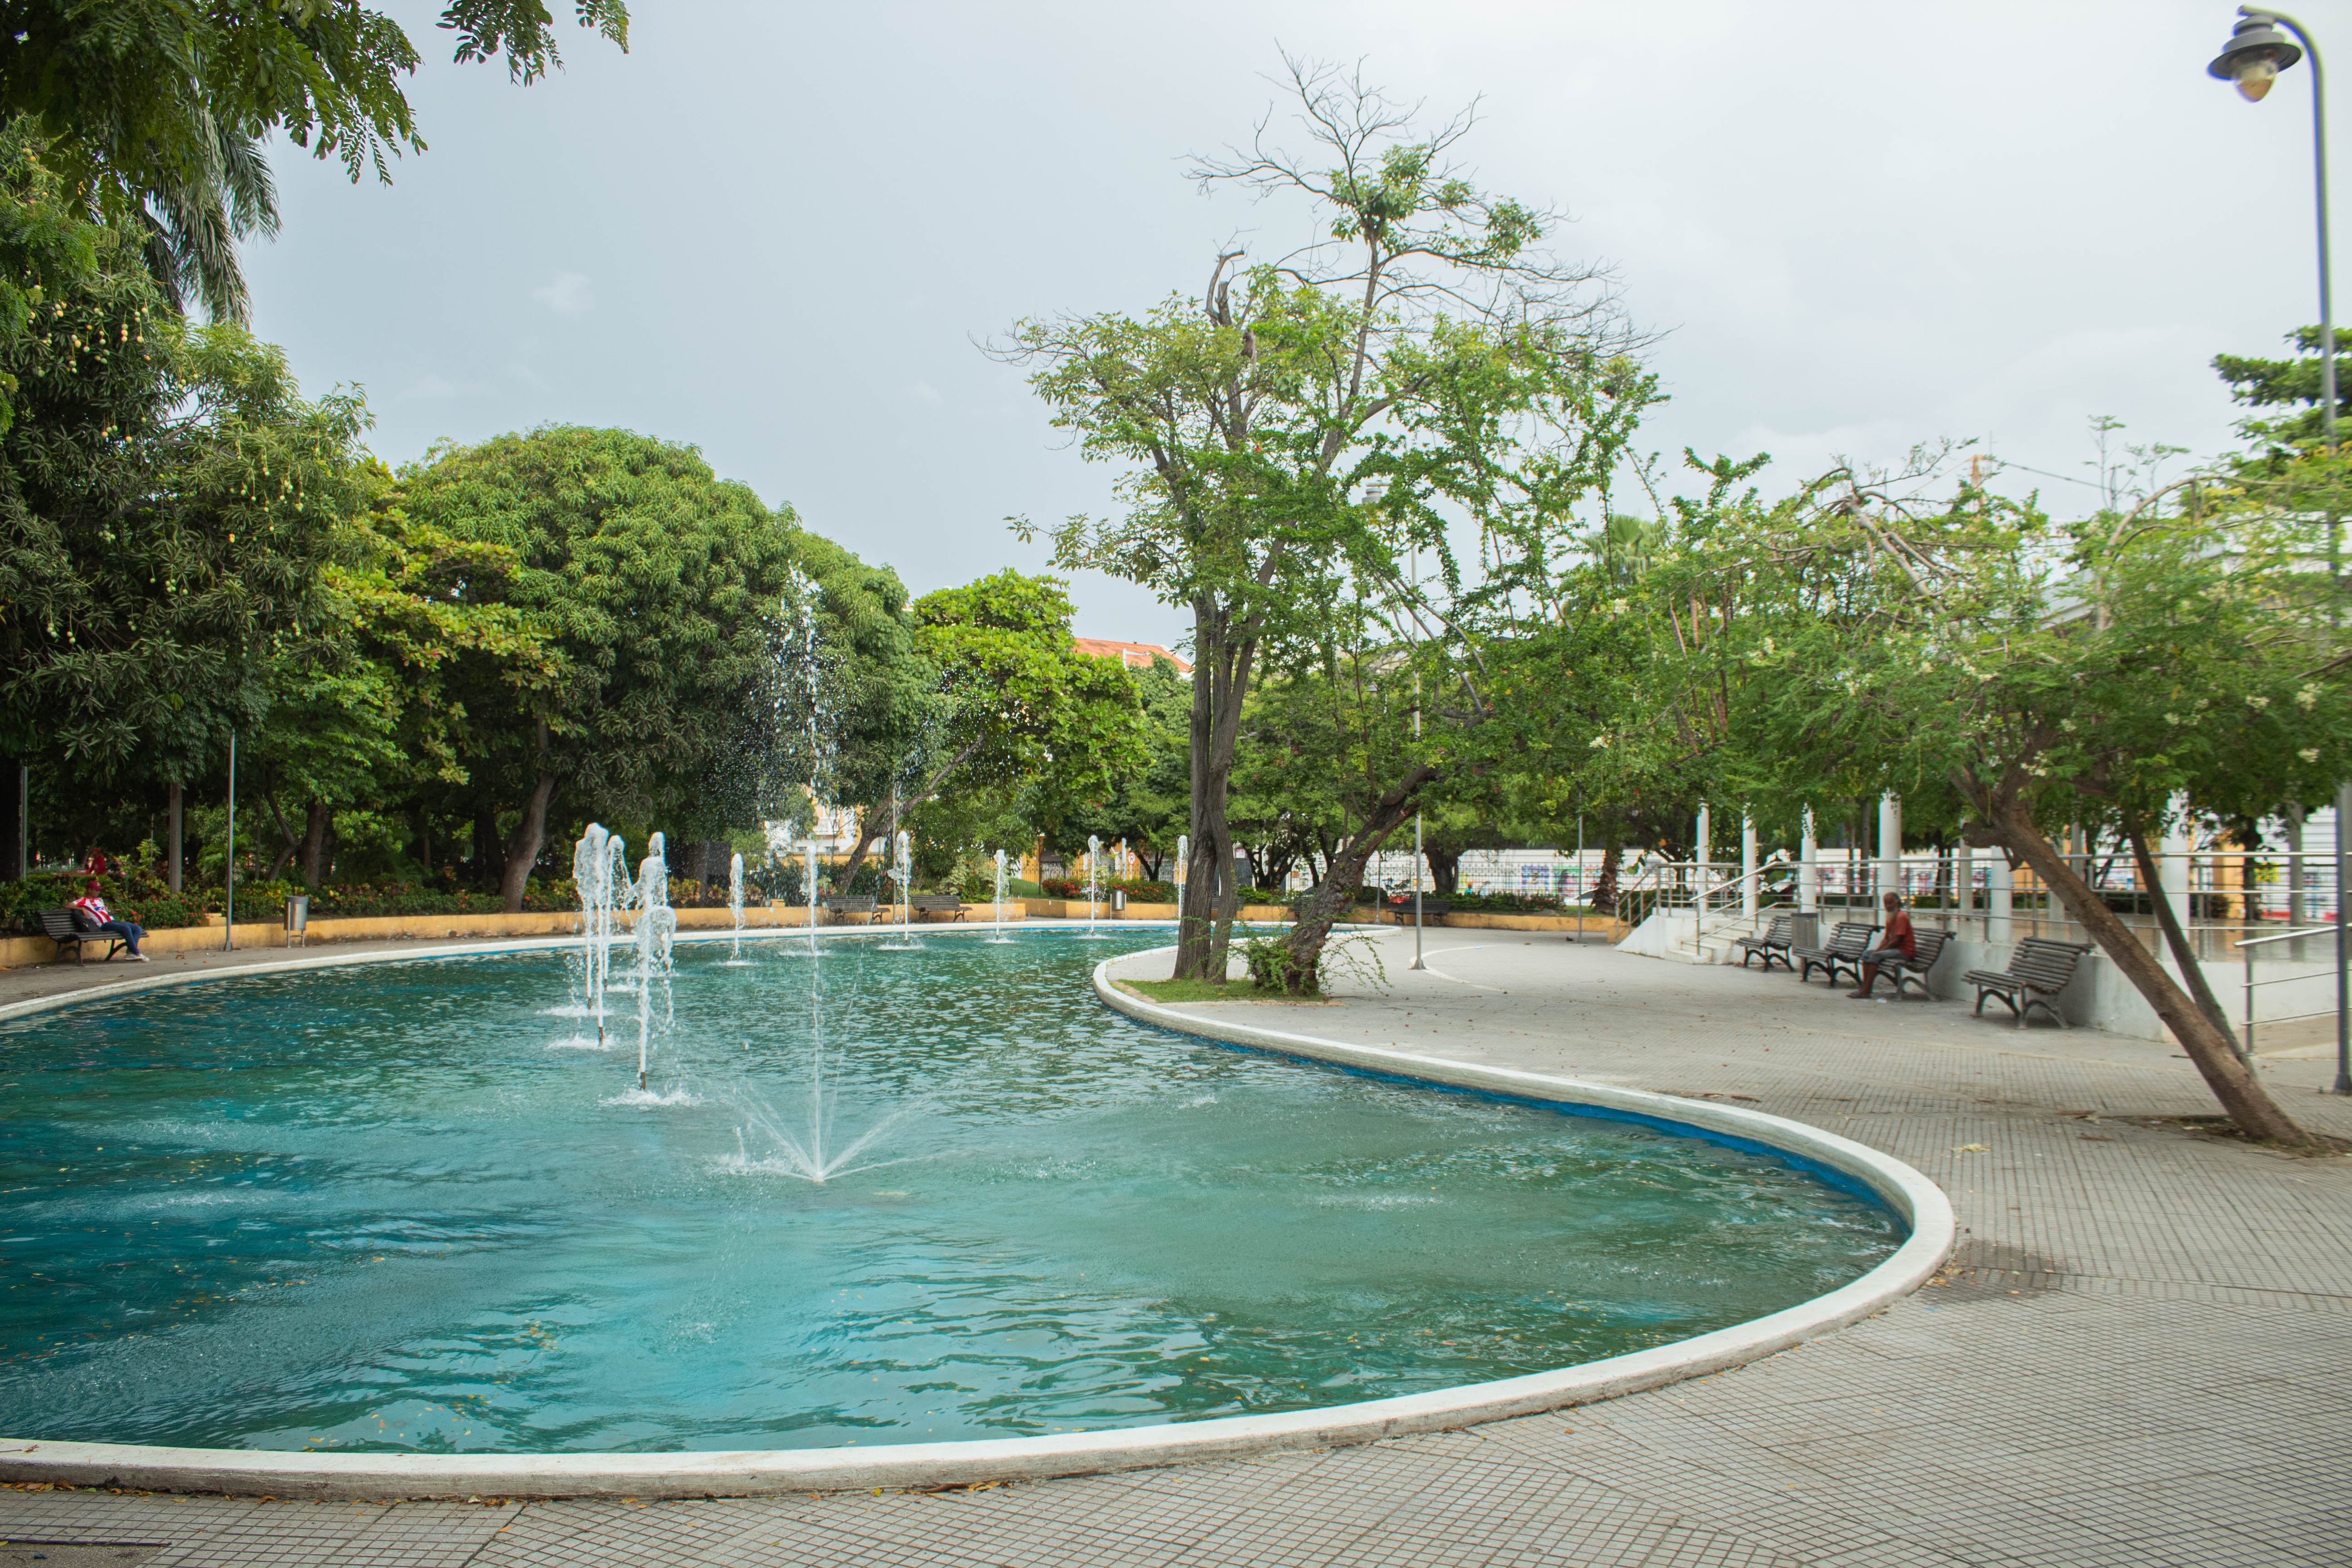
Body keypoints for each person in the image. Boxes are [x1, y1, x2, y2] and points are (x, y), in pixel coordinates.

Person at [1847, 891, 1914, 998]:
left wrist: (1880, 952)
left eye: (1890, 903)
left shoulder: (1901, 917)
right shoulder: (1890, 917)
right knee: (1867, 954)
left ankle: (1866, 991)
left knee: (1875, 956)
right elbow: (1886, 938)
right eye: (1886, 904)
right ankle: (1863, 987)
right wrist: (1878, 950)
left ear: (1897, 903)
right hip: (1894, 949)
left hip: (1904, 951)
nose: (1888, 906)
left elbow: (1896, 941)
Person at [69, 880, 148, 961]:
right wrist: (81, 908)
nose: (98, 892)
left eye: (99, 890)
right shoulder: (83, 901)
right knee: (126, 928)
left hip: (112, 921)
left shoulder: (99, 900)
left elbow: (104, 911)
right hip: (104, 925)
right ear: (89, 890)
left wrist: (110, 913)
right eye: (96, 890)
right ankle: (136, 953)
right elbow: (69, 906)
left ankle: (130, 953)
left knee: (137, 929)